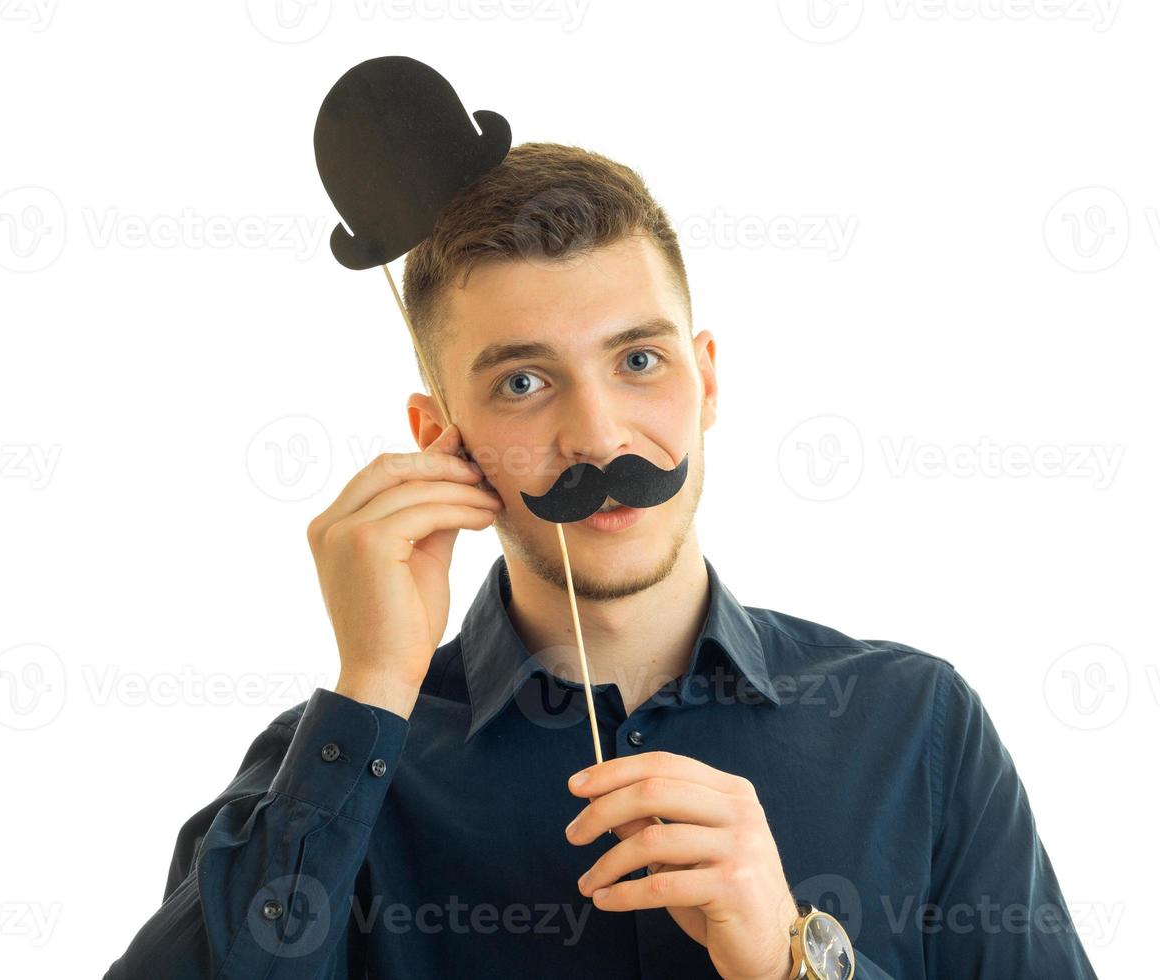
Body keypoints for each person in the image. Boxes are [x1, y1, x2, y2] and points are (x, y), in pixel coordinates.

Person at [103, 143, 1099, 979]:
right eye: (525, 380)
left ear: (705, 378)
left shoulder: (916, 721)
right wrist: (372, 683)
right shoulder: (336, 769)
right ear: (437, 436)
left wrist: (797, 959)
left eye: (638, 360)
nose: (599, 435)